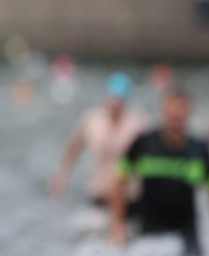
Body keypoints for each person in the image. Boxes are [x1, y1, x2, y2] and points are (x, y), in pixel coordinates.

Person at [108, 88, 209, 256]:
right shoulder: (143, 143)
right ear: (163, 110)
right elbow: (118, 181)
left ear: (189, 112)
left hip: (186, 238)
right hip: (149, 235)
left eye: (181, 110)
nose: (176, 115)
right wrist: (117, 223)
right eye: (172, 109)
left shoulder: (200, 149)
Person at [50, 72, 146, 211]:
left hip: (129, 199)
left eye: (120, 99)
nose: (116, 103)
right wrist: (61, 178)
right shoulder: (92, 120)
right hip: (100, 195)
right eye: (113, 97)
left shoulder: (138, 124)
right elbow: (74, 149)